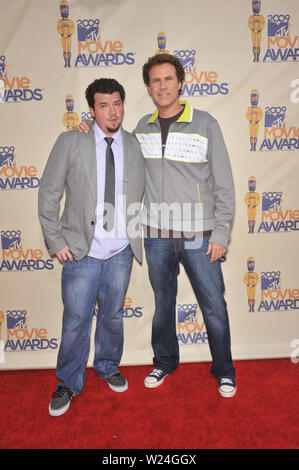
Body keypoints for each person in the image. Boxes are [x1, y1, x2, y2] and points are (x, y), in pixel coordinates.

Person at [78, 54, 237, 398]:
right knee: (163, 305)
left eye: (168, 79)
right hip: (156, 236)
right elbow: (110, 149)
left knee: (214, 306)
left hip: (201, 236)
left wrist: (221, 232)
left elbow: (224, 184)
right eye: (155, 81)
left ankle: (225, 370)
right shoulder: (139, 130)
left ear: (180, 82)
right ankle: (164, 361)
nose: (162, 86)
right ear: (148, 88)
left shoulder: (206, 124)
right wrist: (84, 129)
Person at [38, 78, 145, 416]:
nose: (112, 111)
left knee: (112, 315)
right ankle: (68, 382)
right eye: (103, 105)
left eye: (117, 103)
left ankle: (108, 364)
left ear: (123, 105)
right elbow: (49, 194)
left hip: (120, 251)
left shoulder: (134, 144)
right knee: (75, 320)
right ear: (92, 110)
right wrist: (55, 241)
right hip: (81, 251)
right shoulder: (72, 141)